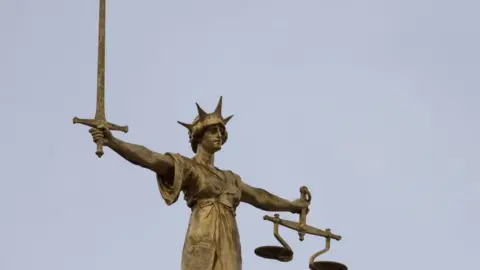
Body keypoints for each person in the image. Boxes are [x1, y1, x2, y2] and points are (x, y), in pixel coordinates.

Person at [89, 96, 309, 270]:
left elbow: (260, 196)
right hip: (202, 233)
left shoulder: (230, 178)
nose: (219, 136)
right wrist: (114, 142)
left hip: (229, 239)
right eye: (213, 131)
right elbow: (150, 158)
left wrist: (292, 206)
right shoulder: (188, 167)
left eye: (222, 132)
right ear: (198, 136)